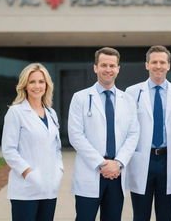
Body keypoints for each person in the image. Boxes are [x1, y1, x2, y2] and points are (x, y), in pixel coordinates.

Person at [68, 47, 139, 221]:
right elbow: (76, 135)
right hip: (90, 170)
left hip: (117, 173)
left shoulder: (127, 100)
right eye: (104, 65)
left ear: (118, 68)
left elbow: (133, 134)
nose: (108, 69)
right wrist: (101, 163)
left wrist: (118, 163)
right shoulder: (80, 98)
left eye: (112, 65)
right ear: (95, 67)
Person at [126, 45, 171, 221]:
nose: (158, 66)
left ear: (169, 65)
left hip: (168, 160)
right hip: (142, 160)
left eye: (162, 62)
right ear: (146, 65)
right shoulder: (131, 93)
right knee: (140, 215)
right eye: (154, 62)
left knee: (166, 215)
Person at [2, 63, 63, 221]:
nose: (37, 86)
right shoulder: (15, 112)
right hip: (25, 189)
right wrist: (29, 173)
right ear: (25, 85)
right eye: (32, 82)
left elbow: (56, 148)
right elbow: (9, 150)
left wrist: (59, 170)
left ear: (47, 85)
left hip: (49, 188)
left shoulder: (51, 113)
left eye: (41, 81)